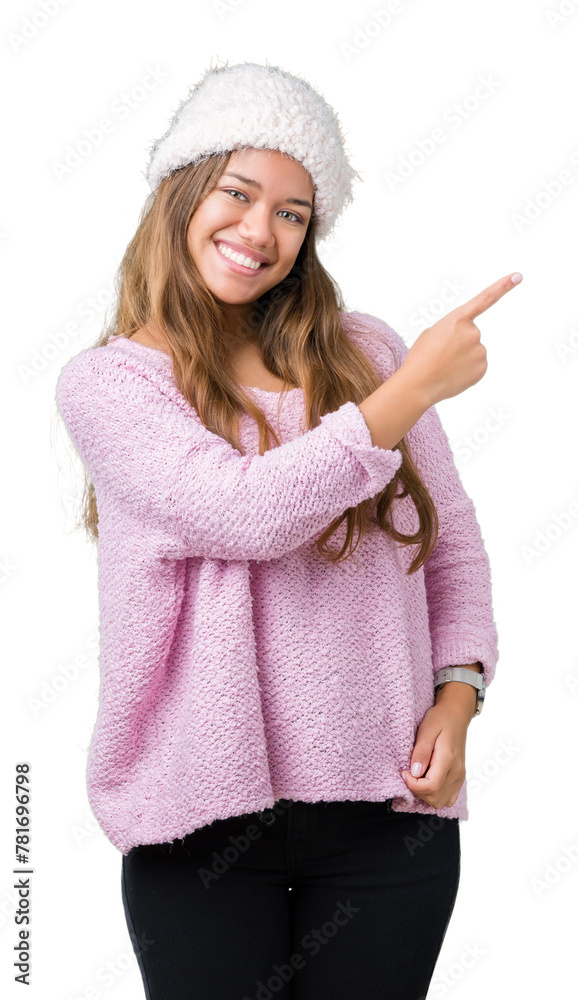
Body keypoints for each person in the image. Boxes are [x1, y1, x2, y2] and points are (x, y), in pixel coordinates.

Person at [55, 60, 523, 1000]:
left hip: (391, 812)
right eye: (237, 193)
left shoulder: (368, 354)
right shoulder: (112, 384)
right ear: (179, 192)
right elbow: (244, 512)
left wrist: (460, 694)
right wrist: (411, 394)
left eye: (294, 212)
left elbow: (455, 547)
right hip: (202, 828)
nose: (259, 232)